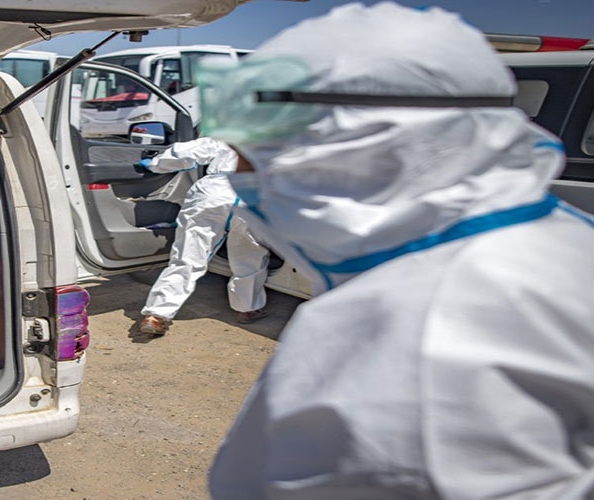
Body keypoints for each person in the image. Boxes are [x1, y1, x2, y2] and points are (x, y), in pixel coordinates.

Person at [201, 3, 594, 499]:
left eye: (256, 145)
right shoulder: (553, 237)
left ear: (357, 146)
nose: (241, 170)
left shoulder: (419, 335)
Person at [135, 137, 269, 336]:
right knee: (250, 255)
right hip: (253, 195)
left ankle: (156, 315)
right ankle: (247, 309)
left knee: (188, 257)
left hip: (214, 192)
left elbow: (188, 152)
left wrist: (155, 163)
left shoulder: (231, 134)